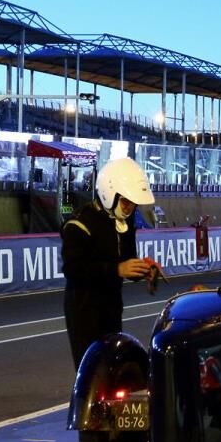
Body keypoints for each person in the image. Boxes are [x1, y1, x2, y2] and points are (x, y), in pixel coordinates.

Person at [61, 157, 155, 369]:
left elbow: (126, 262)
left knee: (114, 365)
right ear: (109, 193)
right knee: (91, 371)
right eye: (126, 202)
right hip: (84, 308)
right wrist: (117, 269)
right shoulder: (79, 223)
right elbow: (73, 269)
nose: (130, 208)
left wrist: (143, 270)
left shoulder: (125, 221)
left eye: (133, 203)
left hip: (112, 305)